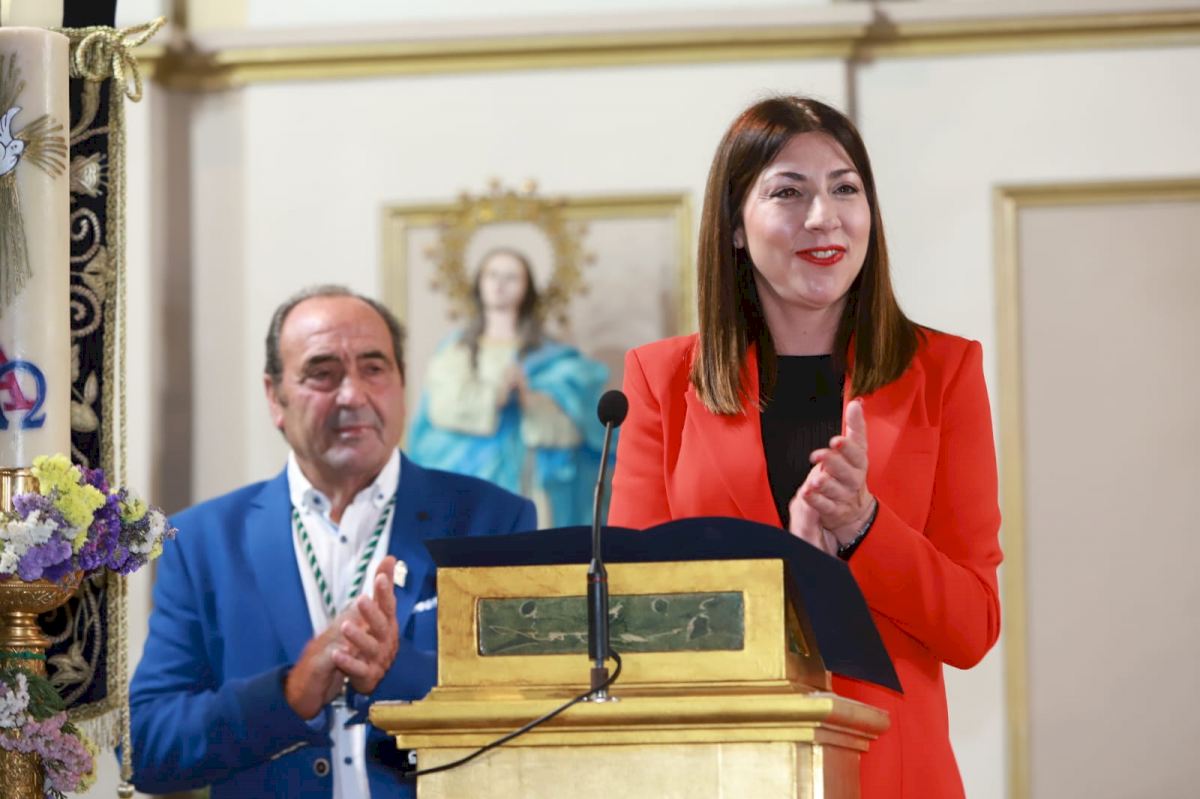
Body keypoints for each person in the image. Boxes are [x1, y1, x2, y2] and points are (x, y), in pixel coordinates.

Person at [608, 96, 1002, 798]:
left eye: (845, 188)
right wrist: (786, 571)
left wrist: (864, 526)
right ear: (734, 226)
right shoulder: (659, 380)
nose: (823, 216)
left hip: (892, 774)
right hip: (718, 771)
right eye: (788, 192)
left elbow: (973, 627)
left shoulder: (945, 372)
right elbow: (629, 618)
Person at [129, 286, 536, 798]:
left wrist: (396, 672)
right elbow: (145, 747)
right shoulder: (204, 544)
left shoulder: (493, 521)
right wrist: (287, 696)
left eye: (374, 368)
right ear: (275, 397)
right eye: (322, 373)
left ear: (402, 384)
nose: (352, 395)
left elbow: (531, 713)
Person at [407, 247, 609, 527]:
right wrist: (494, 396)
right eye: (492, 275)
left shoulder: (551, 355)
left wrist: (530, 397)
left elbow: (580, 417)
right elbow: (442, 406)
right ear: (479, 283)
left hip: (531, 472)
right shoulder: (457, 350)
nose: (500, 284)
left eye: (511, 277)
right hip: (474, 470)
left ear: (527, 288)